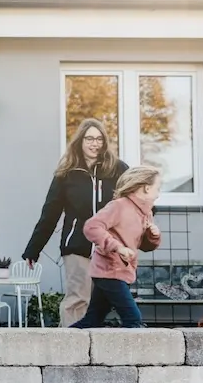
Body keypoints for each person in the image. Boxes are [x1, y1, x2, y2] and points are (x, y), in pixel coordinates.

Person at [21, 118, 128, 327]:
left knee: (102, 302)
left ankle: (88, 350)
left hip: (109, 246)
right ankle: (70, 349)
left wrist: (148, 213)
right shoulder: (67, 173)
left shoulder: (117, 169)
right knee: (78, 298)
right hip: (77, 245)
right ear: (80, 141)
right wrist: (33, 249)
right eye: (89, 138)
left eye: (99, 139)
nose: (94, 143)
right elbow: (50, 213)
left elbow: (135, 195)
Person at [69, 165, 163, 329]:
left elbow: (146, 246)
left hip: (123, 271)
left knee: (92, 321)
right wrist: (117, 247)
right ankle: (137, 354)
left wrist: (153, 235)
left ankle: (61, 346)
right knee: (133, 320)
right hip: (109, 270)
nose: (158, 194)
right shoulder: (119, 206)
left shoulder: (146, 213)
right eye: (158, 188)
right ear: (147, 188)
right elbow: (92, 227)